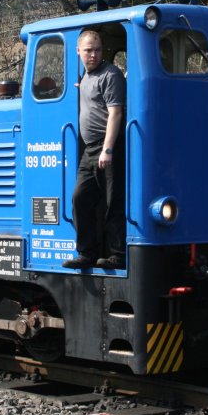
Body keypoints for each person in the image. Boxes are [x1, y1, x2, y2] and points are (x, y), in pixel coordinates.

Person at [63, 30, 127, 270]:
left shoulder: (111, 74)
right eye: (88, 50)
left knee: (113, 201)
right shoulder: (87, 77)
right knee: (80, 198)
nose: (93, 54)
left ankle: (117, 254)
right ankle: (86, 253)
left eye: (97, 50)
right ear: (78, 51)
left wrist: (108, 149)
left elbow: (116, 113)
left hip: (107, 146)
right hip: (90, 149)